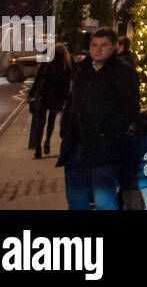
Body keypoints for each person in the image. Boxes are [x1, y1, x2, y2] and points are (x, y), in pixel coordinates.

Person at [57, 28, 140, 210]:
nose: (98, 49)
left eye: (104, 45)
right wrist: (66, 128)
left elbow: (130, 109)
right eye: (94, 45)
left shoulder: (124, 73)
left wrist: (110, 133)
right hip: (76, 147)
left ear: (114, 47)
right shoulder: (83, 71)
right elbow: (72, 102)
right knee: (76, 199)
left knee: (104, 199)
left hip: (104, 149)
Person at [28, 43, 73, 158]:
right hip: (57, 97)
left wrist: (32, 94)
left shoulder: (47, 62)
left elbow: (39, 79)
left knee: (40, 122)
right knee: (51, 121)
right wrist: (65, 98)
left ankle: (38, 148)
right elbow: (67, 83)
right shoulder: (65, 64)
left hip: (44, 94)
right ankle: (47, 141)